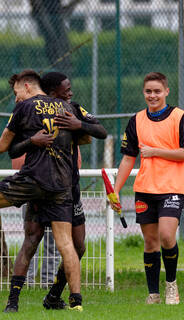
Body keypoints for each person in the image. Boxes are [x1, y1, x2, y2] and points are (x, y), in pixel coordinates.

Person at [6, 71, 107, 311]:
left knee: (78, 245)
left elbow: (100, 131)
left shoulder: (73, 109)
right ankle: (13, 302)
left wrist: (78, 125)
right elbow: (12, 150)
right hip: (38, 185)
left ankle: (54, 296)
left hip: (67, 188)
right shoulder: (31, 112)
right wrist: (32, 141)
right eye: (66, 88)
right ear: (51, 92)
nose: (70, 91)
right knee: (31, 240)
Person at [111, 72, 184, 304]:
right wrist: (116, 190)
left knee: (167, 236)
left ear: (166, 92)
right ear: (143, 93)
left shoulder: (180, 117)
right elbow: (128, 158)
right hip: (145, 188)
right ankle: (153, 293)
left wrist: (156, 151)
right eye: (148, 91)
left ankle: (171, 285)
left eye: (157, 91)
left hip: (172, 187)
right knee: (150, 242)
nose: (153, 95)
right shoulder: (136, 120)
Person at [12, 156, 61, 287]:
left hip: (56, 192)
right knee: (30, 241)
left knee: (55, 241)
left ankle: (49, 281)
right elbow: (17, 161)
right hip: (31, 190)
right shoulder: (27, 138)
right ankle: (27, 280)